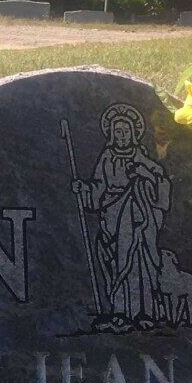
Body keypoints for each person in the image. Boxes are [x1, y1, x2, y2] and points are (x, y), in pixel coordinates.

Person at [71, 103, 170, 327]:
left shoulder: (141, 156)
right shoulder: (107, 157)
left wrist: (144, 174)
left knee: (140, 265)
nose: (122, 136)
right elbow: (98, 187)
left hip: (141, 220)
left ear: (134, 133)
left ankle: (145, 313)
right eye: (118, 132)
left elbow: (160, 182)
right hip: (113, 217)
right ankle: (121, 312)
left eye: (126, 132)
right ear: (111, 134)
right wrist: (83, 189)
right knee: (117, 265)